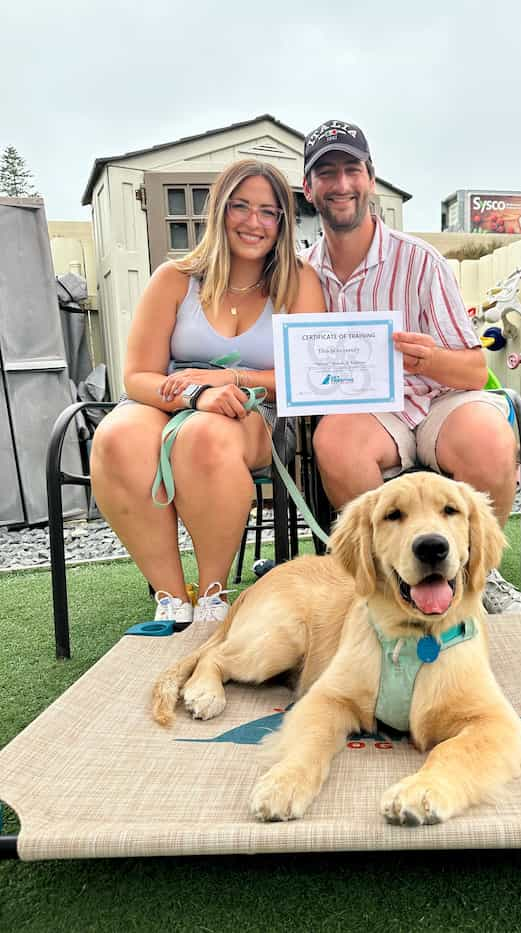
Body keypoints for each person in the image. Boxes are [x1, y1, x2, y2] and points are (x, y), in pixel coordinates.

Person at [301, 119, 521, 614]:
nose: (341, 184)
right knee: (333, 442)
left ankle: (479, 575)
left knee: (490, 437)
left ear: (370, 177)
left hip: (439, 398)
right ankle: (380, 582)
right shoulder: (301, 270)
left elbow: (474, 372)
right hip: (369, 411)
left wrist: (428, 357)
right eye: (327, 174)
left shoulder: (421, 261)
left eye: (351, 170)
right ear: (309, 188)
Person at [90, 159, 326, 626]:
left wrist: (231, 380)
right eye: (241, 207)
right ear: (218, 210)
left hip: (257, 411)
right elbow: (138, 375)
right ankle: (174, 600)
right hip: (174, 396)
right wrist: (196, 394)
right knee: (117, 438)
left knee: (203, 437)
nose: (253, 222)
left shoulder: (298, 282)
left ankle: (213, 597)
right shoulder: (174, 278)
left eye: (268, 211)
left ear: (282, 221)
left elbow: (307, 374)